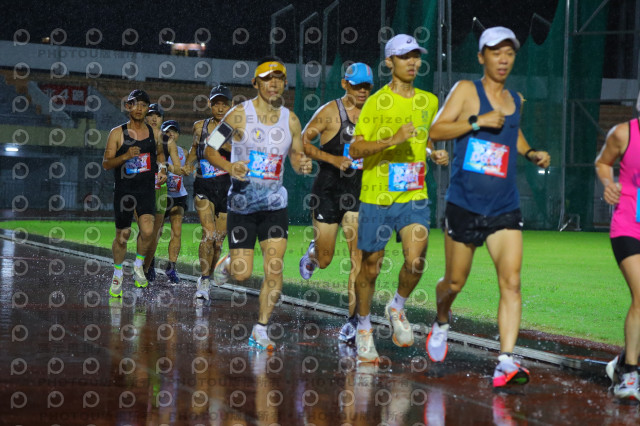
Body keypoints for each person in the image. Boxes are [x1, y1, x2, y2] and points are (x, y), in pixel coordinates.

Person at [426, 27, 550, 388]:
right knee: (454, 282)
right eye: (496, 52)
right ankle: (442, 319)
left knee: (511, 282)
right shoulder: (467, 91)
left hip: (504, 207)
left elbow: (512, 131)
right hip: (464, 203)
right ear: (482, 57)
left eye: (509, 52)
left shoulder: (515, 99)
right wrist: (477, 121)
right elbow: (436, 130)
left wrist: (529, 152)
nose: (503, 59)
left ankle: (506, 360)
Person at [348, 35, 449, 363]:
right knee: (371, 266)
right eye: (405, 56)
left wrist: (434, 152)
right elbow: (356, 148)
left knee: (416, 260)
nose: (413, 62)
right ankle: (364, 327)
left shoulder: (429, 101)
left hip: (414, 193)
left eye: (416, 56)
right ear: (389, 62)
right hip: (377, 195)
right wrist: (392, 140)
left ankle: (397, 306)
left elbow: (425, 137)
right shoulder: (376, 102)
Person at [209, 56, 312, 351]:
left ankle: (261, 329)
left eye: (278, 78)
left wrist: (301, 163)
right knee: (243, 273)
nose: (273, 83)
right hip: (242, 206)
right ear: (256, 83)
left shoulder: (291, 120)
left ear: (284, 84)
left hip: (274, 206)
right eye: (267, 79)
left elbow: (296, 155)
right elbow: (210, 149)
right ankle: (229, 263)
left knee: (274, 269)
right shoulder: (238, 115)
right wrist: (230, 167)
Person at [298, 62, 374, 345]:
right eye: (357, 86)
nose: (362, 91)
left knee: (358, 260)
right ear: (345, 84)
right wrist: (332, 159)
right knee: (326, 259)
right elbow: (304, 141)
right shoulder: (330, 112)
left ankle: (354, 322)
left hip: (358, 192)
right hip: (328, 191)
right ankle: (312, 255)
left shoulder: (375, 113)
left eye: (367, 86)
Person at [595, 95, 640, 401]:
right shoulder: (624, 133)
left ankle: (622, 362)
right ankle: (629, 375)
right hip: (628, 225)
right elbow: (602, 162)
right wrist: (608, 184)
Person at [102, 90, 168, 297]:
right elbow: (106, 163)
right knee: (123, 236)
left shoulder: (155, 133)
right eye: (135, 104)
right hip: (124, 191)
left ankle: (138, 266)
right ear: (128, 106)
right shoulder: (117, 133)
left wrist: (163, 170)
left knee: (148, 231)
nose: (139, 108)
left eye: (143, 105)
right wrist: (125, 156)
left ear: (147, 109)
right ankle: (117, 274)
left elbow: (160, 154)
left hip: (146, 189)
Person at [184, 85, 234, 300]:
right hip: (204, 186)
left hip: (227, 188)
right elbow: (194, 149)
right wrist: (187, 165)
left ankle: (209, 277)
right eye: (216, 104)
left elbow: (241, 153)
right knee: (209, 235)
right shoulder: (199, 127)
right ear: (210, 104)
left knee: (218, 242)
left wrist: (221, 142)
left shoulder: (237, 129)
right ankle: (204, 280)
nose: (220, 108)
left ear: (231, 106)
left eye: (224, 104)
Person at [141, 103, 180, 283]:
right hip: (140, 187)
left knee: (155, 233)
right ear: (145, 117)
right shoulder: (136, 137)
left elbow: (177, 168)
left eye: (158, 115)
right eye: (151, 115)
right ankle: (141, 265)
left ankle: (146, 267)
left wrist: (166, 167)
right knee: (145, 231)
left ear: (162, 119)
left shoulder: (167, 142)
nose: (154, 118)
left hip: (160, 189)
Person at [161, 120, 188, 284]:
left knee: (176, 231)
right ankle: (147, 264)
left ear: (178, 135)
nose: (171, 134)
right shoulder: (158, 150)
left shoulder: (183, 152)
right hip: (161, 194)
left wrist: (190, 169)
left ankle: (171, 267)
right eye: (167, 131)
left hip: (178, 195)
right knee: (155, 232)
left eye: (174, 131)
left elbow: (189, 167)